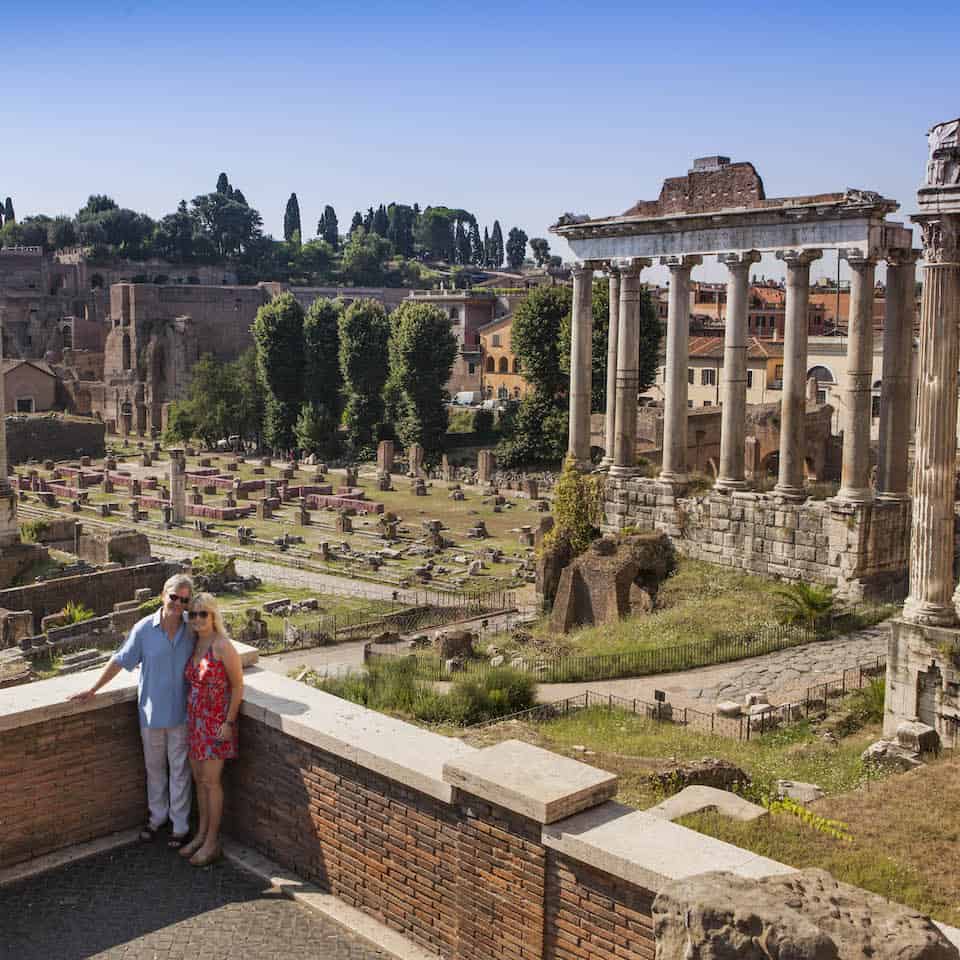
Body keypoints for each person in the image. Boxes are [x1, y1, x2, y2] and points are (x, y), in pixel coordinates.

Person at [69, 573, 195, 849]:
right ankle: (158, 817)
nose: (178, 603)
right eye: (174, 597)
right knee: (154, 770)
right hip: (151, 713)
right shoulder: (144, 629)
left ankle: (181, 824)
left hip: (183, 714)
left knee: (180, 770)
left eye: (184, 600)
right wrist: (93, 689)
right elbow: (120, 660)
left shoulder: (192, 628)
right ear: (163, 594)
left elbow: (215, 644)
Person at [179, 592, 243, 866]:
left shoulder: (222, 645)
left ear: (213, 615)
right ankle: (201, 834)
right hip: (195, 722)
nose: (197, 619)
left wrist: (228, 722)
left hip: (216, 724)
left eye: (203, 613)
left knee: (211, 782)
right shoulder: (195, 644)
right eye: (192, 614)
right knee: (199, 781)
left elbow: (238, 685)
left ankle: (212, 841)